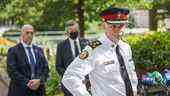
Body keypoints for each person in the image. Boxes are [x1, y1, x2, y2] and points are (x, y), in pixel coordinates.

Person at [62, 7, 138, 96]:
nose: (118, 29)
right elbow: (70, 77)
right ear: (104, 25)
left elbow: (130, 74)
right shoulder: (94, 49)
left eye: (121, 25)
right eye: (113, 26)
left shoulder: (125, 47)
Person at [7, 24, 49, 96]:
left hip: (39, 91)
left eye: (31, 33)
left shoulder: (39, 50)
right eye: (27, 33)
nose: (29, 35)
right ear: (21, 34)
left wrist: (39, 81)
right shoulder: (13, 51)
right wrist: (29, 83)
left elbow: (46, 69)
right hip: (20, 91)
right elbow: (12, 71)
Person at [56, 20, 89, 96]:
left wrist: (86, 78)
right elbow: (58, 66)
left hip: (85, 82)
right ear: (67, 32)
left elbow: (90, 61)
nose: (74, 32)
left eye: (75, 30)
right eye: (71, 30)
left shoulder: (86, 42)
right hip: (69, 83)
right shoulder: (61, 46)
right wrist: (71, 77)